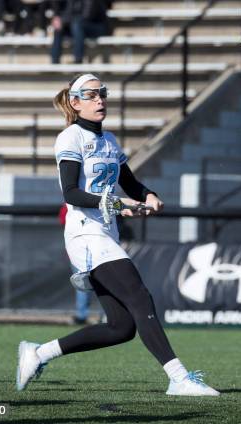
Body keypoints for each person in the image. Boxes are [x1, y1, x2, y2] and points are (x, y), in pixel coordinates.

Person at [16, 73, 219, 397]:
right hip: (85, 234)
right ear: (75, 102)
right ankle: (178, 378)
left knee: (121, 327)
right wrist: (113, 202)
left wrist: (149, 196)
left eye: (103, 94)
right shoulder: (70, 138)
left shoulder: (109, 141)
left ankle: (40, 352)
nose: (100, 100)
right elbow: (71, 193)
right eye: (92, 95)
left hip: (105, 233)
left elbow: (131, 183)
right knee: (140, 296)